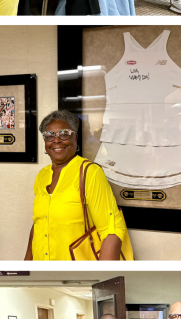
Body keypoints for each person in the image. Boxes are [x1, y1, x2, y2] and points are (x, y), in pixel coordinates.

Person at [25, 110, 132, 261]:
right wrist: (27, 266)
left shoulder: (90, 172)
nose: (56, 140)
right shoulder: (42, 176)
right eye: (49, 135)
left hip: (76, 272)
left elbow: (111, 231)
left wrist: (101, 277)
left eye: (64, 134)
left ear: (75, 138)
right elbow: (39, 224)